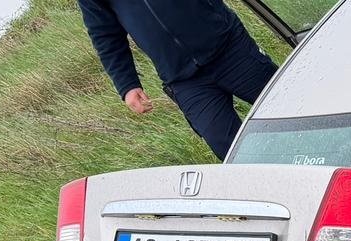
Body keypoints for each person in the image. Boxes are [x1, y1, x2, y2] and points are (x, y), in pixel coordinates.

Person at [77, 0, 278, 159]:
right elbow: (104, 34)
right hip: (184, 81)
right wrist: (127, 84)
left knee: (285, 106)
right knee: (228, 148)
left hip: (229, 48)